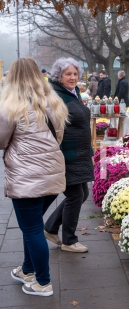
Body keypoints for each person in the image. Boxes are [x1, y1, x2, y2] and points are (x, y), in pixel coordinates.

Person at [0, 58, 69, 296]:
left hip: (26, 177)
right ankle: (27, 270)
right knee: (33, 226)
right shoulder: (53, 101)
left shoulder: (11, 105)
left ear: (13, 78)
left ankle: (43, 282)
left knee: (31, 230)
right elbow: (57, 136)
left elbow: (1, 141)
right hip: (52, 175)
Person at [44, 57, 94, 253]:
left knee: (82, 194)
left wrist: (90, 151)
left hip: (79, 152)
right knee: (75, 195)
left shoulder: (72, 92)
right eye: (68, 74)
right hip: (67, 153)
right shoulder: (56, 96)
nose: (73, 77)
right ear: (59, 76)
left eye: (75, 74)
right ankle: (69, 240)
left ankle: (50, 227)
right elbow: (51, 126)